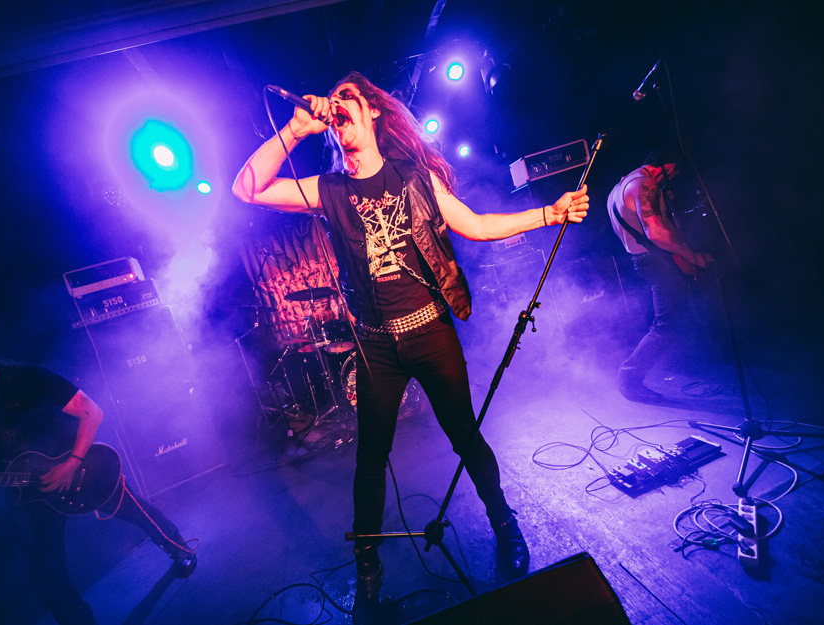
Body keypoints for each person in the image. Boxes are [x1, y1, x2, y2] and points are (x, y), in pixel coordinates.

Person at [233, 71, 589, 615]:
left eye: (348, 98)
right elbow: (248, 189)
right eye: (335, 101)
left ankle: (504, 522)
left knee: (464, 435)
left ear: (372, 111)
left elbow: (476, 225)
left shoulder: (413, 176)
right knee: (371, 458)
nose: (338, 106)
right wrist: (296, 129)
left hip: (430, 331)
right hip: (375, 347)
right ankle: (367, 568)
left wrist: (551, 213)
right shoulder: (329, 190)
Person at [0, 350, 197, 625]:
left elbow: (92, 412)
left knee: (135, 510)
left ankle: (179, 549)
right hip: (29, 493)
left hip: (82, 468)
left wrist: (70, 464)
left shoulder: (21, 379)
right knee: (45, 574)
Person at [607, 143, 713, 402]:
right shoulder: (644, 184)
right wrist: (693, 256)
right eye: (674, 173)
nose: (673, 177)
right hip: (657, 261)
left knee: (667, 323)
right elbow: (655, 233)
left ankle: (635, 376)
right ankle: (629, 378)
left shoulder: (618, 188)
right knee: (665, 326)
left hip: (643, 260)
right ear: (667, 166)